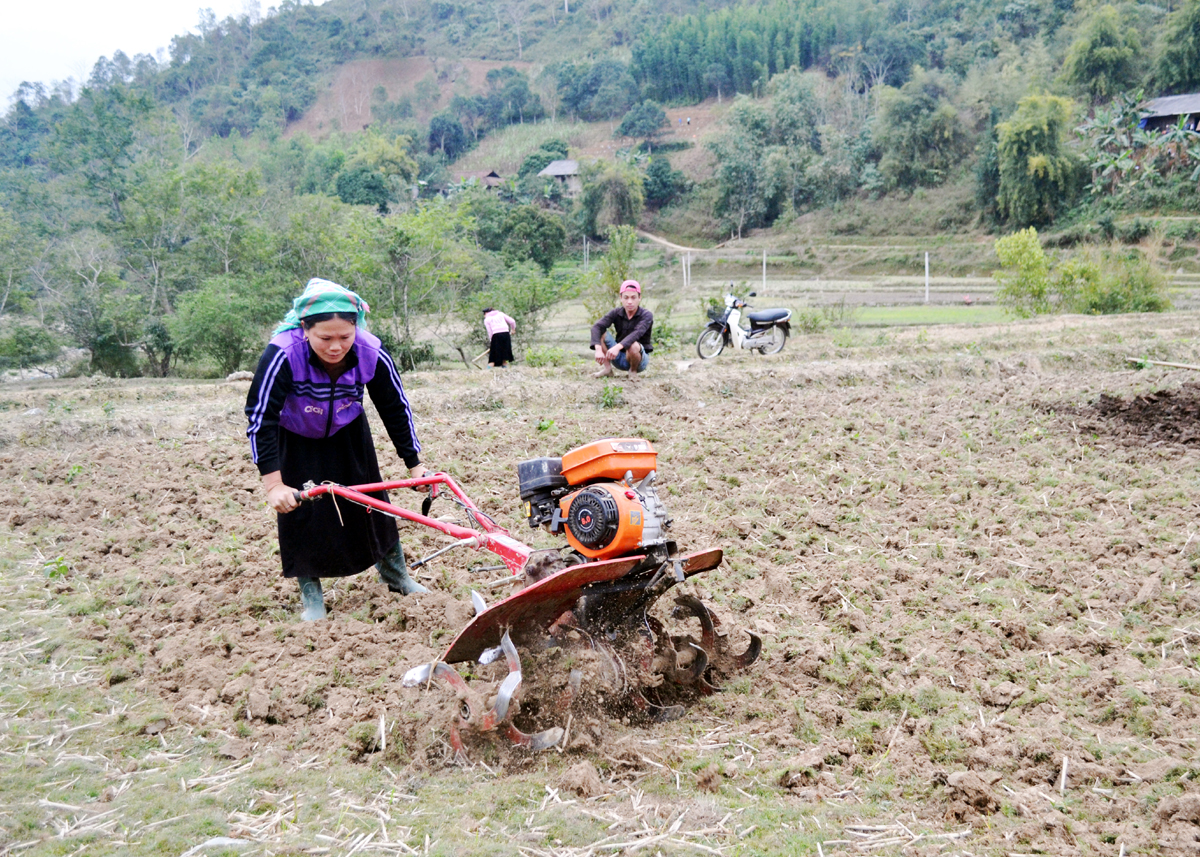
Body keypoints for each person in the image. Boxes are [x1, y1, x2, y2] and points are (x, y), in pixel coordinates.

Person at [245, 278, 428, 622]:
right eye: (324, 338)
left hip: (348, 431)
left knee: (373, 504)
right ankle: (312, 596)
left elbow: (395, 407)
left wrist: (414, 466)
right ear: (304, 329)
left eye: (345, 337)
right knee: (301, 511)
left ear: (356, 328)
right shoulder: (283, 353)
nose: (335, 347)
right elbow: (260, 418)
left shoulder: (370, 350)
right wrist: (273, 485)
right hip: (295, 435)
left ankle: (396, 576)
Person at [590, 279, 653, 378]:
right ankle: (607, 369)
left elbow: (637, 333)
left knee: (633, 345)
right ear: (621, 298)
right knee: (601, 332)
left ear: (639, 298)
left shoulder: (646, 315)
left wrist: (617, 347)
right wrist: (598, 348)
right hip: (618, 357)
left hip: (639, 360)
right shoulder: (616, 312)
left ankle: (633, 372)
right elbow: (597, 327)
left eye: (633, 297)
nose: (629, 302)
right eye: (626, 297)